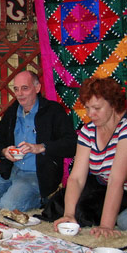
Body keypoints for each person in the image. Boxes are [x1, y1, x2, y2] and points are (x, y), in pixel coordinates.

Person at [0, 70, 77, 212]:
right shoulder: (12, 112)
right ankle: (14, 195)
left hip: (37, 174)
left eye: (25, 88)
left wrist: (41, 147)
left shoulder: (53, 111)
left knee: (8, 206)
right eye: (16, 89)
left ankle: (38, 199)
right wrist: (4, 152)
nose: (19, 94)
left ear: (37, 88)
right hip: (11, 170)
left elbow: (71, 144)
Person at [52, 77, 127, 238]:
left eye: (97, 108)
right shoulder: (88, 131)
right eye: (87, 108)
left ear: (113, 104)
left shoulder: (125, 129)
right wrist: (69, 215)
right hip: (104, 186)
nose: (90, 114)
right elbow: (77, 178)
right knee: (59, 206)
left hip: (122, 187)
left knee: (123, 222)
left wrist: (106, 225)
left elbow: (117, 180)